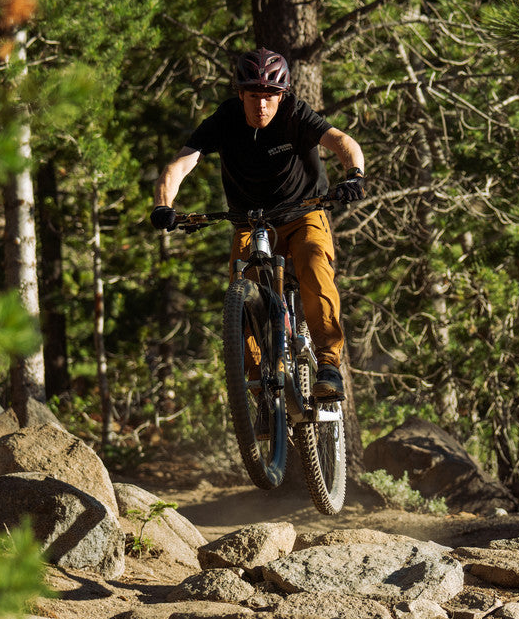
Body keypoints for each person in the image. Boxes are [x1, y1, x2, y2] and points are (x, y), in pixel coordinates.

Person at [150, 48, 365, 402]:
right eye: (253, 96)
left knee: (314, 263)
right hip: (250, 221)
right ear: (240, 94)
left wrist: (354, 176)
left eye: (269, 97)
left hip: (303, 213)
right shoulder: (224, 119)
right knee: (243, 302)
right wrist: (163, 205)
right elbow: (181, 165)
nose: (261, 105)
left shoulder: (295, 113)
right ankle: (260, 394)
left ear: (281, 96)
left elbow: (342, 142)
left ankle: (328, 365)